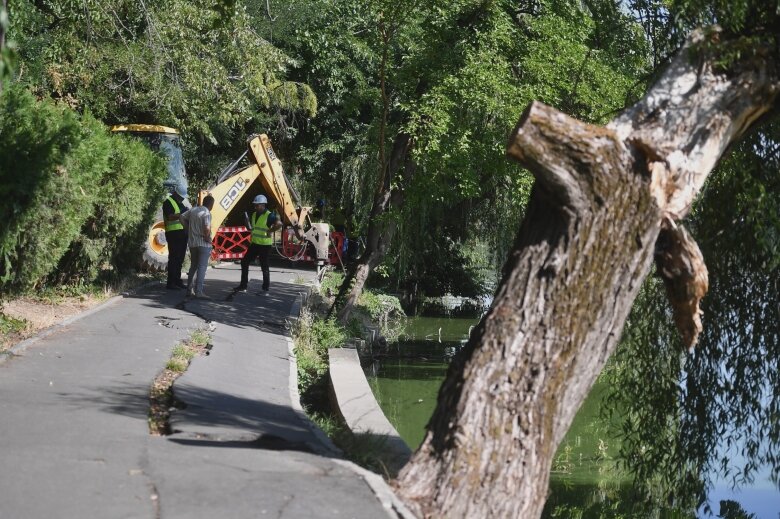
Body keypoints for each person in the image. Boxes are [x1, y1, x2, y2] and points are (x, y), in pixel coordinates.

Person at [235, 194, 282, 293]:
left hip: (265, 245)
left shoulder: (269, 215)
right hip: (255, 244)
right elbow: (252, 229)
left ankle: (265, 288)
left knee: (264, 265)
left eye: (257, 205)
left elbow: (279, 224)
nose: (255, 207)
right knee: (244, 262)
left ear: (263, 205)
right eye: (255, 205)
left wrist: (270, 231)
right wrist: (247, 222)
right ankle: (243, 286)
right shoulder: (254, 214)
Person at [181, 195, 214, 299]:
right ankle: (199, 292)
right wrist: (207, 237)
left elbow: (181, 217)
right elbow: (206, 227)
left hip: (192, 243)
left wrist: (187, 228)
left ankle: (189, 290)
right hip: (203, 244)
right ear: (211, 205)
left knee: (193, 266)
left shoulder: (193, 210)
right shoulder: (206, 213)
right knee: (202, 268)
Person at [163, 185, 188, 289]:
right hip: (173, 234)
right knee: (174, 258)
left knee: (180, 259)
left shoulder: (180, 203)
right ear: (176, 194)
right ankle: (171, 283)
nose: (183, 198)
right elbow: (170, 217)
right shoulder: (168, 202)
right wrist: (182, 213)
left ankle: (177, 280)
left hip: (182, 233)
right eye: (181, 196)